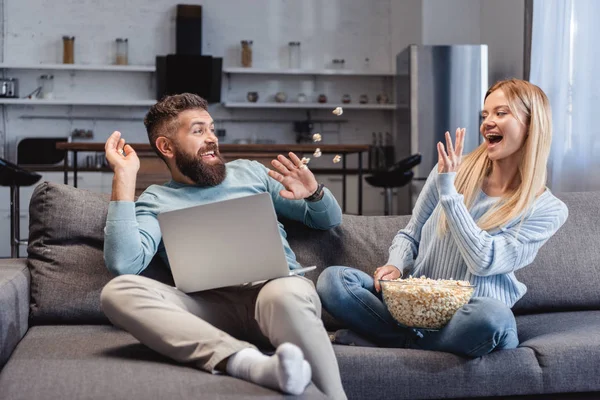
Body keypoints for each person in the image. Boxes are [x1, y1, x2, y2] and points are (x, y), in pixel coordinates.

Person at [99, 93, 347, 399]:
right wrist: (124, 177)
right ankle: (247, 363)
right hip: (209, 308)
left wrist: (314, 192)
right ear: (166, 147)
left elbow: (327, 221)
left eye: (212, 129)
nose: (212, 139)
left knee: (284, 295)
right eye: (198, 131)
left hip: (274, 295)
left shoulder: (252, 173)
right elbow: (124, 264)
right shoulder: (156, 199)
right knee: (118, 292)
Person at [317, 78, 569, 357]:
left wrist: (450, 193)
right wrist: (396, 265)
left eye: (501, 113)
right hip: (415, 309)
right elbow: (411, 232)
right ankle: (413, 343)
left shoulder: (547, 209)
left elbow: (484, 260)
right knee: (334, 281)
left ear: (532, 124)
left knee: (494, 318)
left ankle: (392, 340)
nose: (487, 122)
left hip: (470, 316)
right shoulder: (451, 169)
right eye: (485, 115)